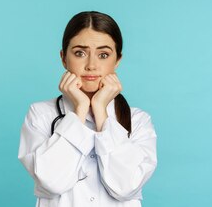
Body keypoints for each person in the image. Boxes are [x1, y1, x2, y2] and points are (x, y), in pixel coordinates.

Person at [18, 11, 158, 207]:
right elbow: (51, 182)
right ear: (63, 58)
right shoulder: (40, 114)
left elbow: (126, 187)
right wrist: (79, 110)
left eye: (103, 55)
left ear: (117, 60)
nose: (91, 65)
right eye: (79, 53)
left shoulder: (139, 121)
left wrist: (101, 111)